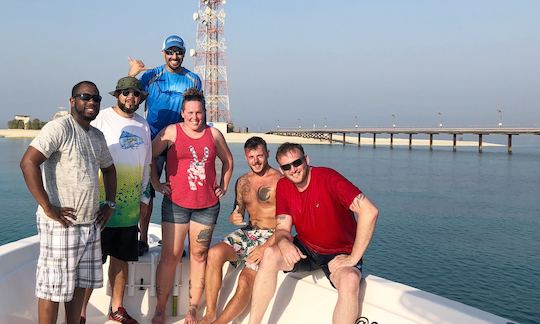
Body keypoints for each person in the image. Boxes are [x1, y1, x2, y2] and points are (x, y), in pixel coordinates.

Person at [248, 143, 379, 324]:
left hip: (339, 253)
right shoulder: (284, 186)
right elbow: (283, 229)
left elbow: (369, 211)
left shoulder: (328, 178)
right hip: (306, 248)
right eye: (287, 167)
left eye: (297, 163)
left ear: (306, 160)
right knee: (270, 254)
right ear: (281, 169)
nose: (293, 170)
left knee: (350, 280)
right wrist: (285, 243)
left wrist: (353, 257)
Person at [20, 81, 117, 324]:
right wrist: (48, 207)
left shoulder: (97, 136)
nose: (92, 102)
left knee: (79, 286)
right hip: (62, 225)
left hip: (90, 224)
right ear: (72, 101)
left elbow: (110, 169)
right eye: (85, 97)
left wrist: (110, 204)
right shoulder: (59, 128)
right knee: (52, 291)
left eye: (96, 98)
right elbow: (28, 163)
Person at [150, 88, 233, 324]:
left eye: (199, 112)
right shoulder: (171, 132)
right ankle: (160, 308)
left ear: (204, 112)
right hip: (176, 204)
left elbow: (228, 160)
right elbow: (149, 155)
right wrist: (156, 183)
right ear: (183, 113)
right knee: (171, 255)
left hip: (206, 206)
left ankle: (193, 308)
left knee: (199, 255)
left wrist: (223, 186)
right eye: (190, 112)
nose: (195, 117)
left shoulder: (214, 134)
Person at [79, 77, 151, 324]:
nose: (131, 97)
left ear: (140, 98)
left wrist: (144, 195)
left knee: (121, 262)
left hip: (129, 210)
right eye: (125, 93)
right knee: (91, 263)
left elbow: (146, 164)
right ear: (117, 95)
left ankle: (117, 308)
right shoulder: (101, 118)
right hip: (99, 208)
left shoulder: (143, 125)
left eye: (135, 94)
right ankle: (80, 313)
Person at [128, 35, 202, 256]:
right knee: (146, 191)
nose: (174, 56)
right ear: (163, 53)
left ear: (183, 53)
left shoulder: (193, 79)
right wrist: (133, 73)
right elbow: (129, 99)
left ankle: (175, 242)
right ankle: (141, 239)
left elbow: (197, 110)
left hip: (180, 143)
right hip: (152, 142)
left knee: (179, 193)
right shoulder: (151, 75)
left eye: (178, 51)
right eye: (170, 52)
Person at [200, 137, 282, 324]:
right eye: (251, 156)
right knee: (214, 253)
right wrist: (233, 217)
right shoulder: (243, 181)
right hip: (249, 232)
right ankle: (211, 313)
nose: (256, 161)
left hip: (273, 235)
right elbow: (237, 211)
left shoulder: (281, 180)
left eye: (260, 155)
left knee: (245, 280)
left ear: (267, 154)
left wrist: (265, 248)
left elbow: (288, 222)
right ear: (246, 158)